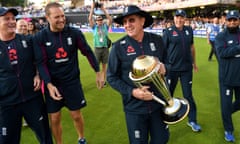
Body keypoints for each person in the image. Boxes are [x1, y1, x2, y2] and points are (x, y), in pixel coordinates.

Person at [33, 2, 102, 144]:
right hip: (53, 85)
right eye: (57, 17)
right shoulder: (40, 37)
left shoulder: (74, 33)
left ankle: (81, 138)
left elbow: (87, 52)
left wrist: (98, 71)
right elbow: (41, 63)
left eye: (63, 16)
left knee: (76, 115)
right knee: (54, 118)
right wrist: (49, 84)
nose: (61, 19)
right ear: (47, 18)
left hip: (72, 83)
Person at [107, 5, 169, 144]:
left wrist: (165, 68)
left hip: (158, 105)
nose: (127, 25)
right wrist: (132, 92)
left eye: (131, 20)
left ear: (142, 21)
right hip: (134, 109)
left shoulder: (157, 40)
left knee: (161, 140)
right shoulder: (118, 47)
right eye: (125, 22)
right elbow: (111, 77)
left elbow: (169, 64)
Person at [0, 7, 53, 144]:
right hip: (7, 104)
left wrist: (37, 74)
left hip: (32, 99)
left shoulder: (28, 41)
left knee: (45, 138)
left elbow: (39, 61)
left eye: (13, 18)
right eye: (7, 19)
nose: (12, 21)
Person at [162, 9, 201, 132]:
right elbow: (162, 51)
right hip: (172, 70)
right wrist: (163, 67)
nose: (179, 19)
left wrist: (194, 63)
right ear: (174, 19)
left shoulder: (189, 30)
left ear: (185, 19)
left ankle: (192, 120)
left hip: (186, 69)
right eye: (177, 17)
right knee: (168, 97)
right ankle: (164, 122)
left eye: (181, 17)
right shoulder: (168, 32)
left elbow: (192, 47)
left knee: (188, 95)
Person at [215, 10, 240, 142]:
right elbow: (222, 53)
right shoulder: (221, 36)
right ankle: (228, 130)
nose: (232, 22)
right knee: (226, 104)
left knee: (231, 107)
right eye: (230, 20)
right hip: (227, 78)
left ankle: (226, 113)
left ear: (238, 20)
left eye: (234, 19)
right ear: (226, 21)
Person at [88, 2, 112, 86]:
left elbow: (110, 19)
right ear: (96, 21)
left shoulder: (105, 27)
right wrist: (92, 8)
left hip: (105, 48)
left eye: (101, 19)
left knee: (104, 67)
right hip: (97, 49)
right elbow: (90, 19)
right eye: (98, 20)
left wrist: (103, 9)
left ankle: (103, 80)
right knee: (96, 67)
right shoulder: (94, 27)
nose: (100, 21)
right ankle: (98, 79)